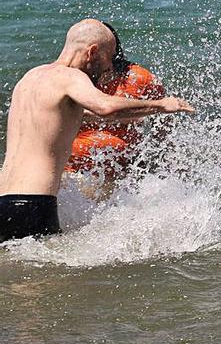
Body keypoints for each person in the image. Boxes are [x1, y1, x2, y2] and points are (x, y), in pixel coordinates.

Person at [0, 19, 194, 243]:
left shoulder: (30, 78)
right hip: (33, 204)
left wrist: (139, 115)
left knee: (14, 275)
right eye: (108, 58)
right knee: (48, 279)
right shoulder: (71, 77)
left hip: (4, 199)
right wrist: (162, 104)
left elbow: (70, 116)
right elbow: (105, 107)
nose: (110, 67)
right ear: (92, 52)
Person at [66, 22, 167, 187]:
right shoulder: (73, 80)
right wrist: (117, 116)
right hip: (71, 172)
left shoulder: (138, 78)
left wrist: (156, 159)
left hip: (122, 174)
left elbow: (164, 123)